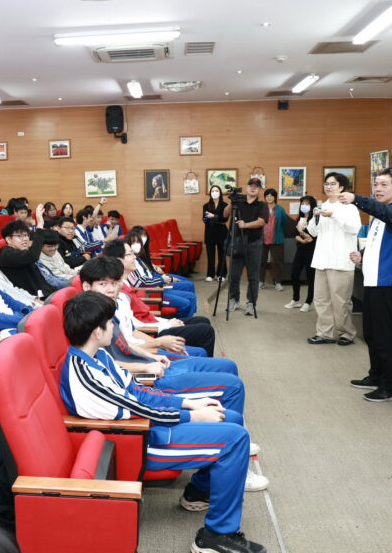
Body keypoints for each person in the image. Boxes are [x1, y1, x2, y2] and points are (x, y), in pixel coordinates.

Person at [60, 291, 266, 553]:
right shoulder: (85, 374)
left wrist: (189, 403)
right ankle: (216, 536)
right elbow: (138, 408)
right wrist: (193, 415)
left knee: (231, 418)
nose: (114, 327)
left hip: (147, 424)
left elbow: (139, 393)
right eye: (110, 322)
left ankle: (199, 492)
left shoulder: (99, 356)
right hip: (136, 441)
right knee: (235, 439)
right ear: (97, 332)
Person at [339, 167, 392, 402]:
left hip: (387, 282)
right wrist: (362, 255)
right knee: (371, 333)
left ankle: (390, 387)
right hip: (372, 280)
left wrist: (356, 198)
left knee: (385, 335)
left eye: (384, 185)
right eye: (376, 184)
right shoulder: (380, 214)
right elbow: (377, 243)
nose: (378, 189)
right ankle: (376, 375)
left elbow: (381, 211)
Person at [305, 173, 362, 343]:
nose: (328, 187)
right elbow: (314, 232)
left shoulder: (349, 207)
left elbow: (354, 228)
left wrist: (333, 215)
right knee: (321, 299)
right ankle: (325, 333)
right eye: (326, 184)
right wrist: (315, 217)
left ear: (341, 187)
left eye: (332, 184)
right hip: (322, 260)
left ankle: (346, 333)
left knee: (340, 301)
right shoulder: (323, 205)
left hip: (341, 261)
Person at [226, 178, 269, 317]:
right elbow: (225, 214)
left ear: (259, 189)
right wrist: (231, 202)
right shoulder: (239, 202)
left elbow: (261, 222)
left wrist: (245, 225)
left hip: (254, 243)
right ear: (247, 187)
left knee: (253, 276)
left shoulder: (262, 205)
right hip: (237, 242)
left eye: (256, 186)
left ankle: (251, 303)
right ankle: (234, 300)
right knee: (233, 275)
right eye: (251, 185)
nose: (253, 188)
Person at [0, 215, 56, 297]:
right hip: (32, 299)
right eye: (20, 236)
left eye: (26, 235)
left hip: (45, 293)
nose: (25, 239)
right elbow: (32, 256)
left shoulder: (22, 252)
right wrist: (39, 227)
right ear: (8, 239)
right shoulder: (6, 254)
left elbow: (41, 282)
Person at [284, 195, 317, 312]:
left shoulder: (315, 219)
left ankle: (308, 301)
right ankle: (296, 299)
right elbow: (296, 234)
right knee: (294, 273)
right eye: (302, 203)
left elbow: (311, 237)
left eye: (307, 204)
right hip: (300, 249)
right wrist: (301, 238)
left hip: (312, 250)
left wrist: (301, 232)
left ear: (312, 205)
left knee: (310, 276)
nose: (304, 206)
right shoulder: (300, 218)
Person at [259, 188, 287, 291]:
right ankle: (261, 281)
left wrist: (276, 232)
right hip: (262, 239)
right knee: (261, 261)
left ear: (275, 197)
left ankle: (278, 282)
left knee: (277, 262)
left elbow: (284, 223)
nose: (269, 197)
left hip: (277, 239)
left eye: (271, 195)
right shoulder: (261, 208)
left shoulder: (280, 209)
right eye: (267, 196)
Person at [203, 185, 229, 282]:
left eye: (216, 191)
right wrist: (214, 218)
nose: (214, 193)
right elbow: (205, 220)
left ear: (220, 193)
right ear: (210, 193)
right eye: (213, 191)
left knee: (222, 255)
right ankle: (210, 274)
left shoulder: (225, 205)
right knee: (210, 255)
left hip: (222, 233)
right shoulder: (206, 205)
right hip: (210, 232)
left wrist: (213, 216)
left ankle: (221, 274)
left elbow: (224, 219)